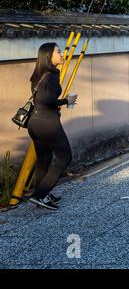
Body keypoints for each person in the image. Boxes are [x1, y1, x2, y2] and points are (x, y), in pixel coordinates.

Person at [27, 43, 78, 210]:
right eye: (58, 51)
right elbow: (46, 100)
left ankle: (42, 195)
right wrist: (66, 101)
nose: (62, 54)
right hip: (47, 123)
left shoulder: (38, 74)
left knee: (44, 159)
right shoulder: (51, 75)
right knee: (64, 157)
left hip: (34, 122)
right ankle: (39, 195)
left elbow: (39, 100)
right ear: (49, 56)